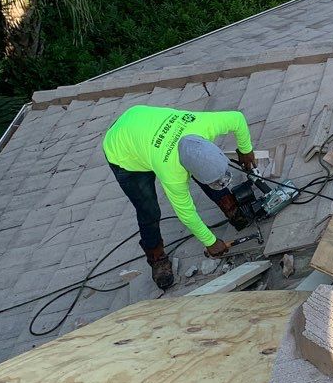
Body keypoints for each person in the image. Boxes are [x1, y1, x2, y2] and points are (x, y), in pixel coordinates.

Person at [103, 105, 257, 290]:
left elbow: (238, 119)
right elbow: (186, 212)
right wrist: (210, 241)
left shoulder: (205, 125)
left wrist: (246, 150)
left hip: (140, 119)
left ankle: (232, 210)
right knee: (148, 210)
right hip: (123, 152)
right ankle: (156, 257)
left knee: (205, 168)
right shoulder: (172, 172)